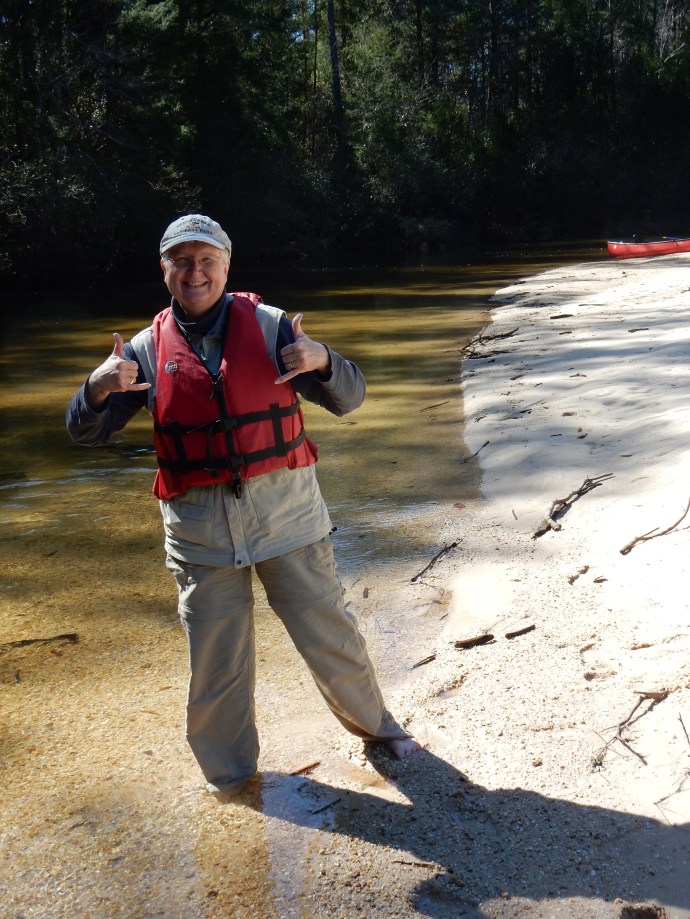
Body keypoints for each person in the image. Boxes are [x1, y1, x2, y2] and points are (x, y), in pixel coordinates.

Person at [66, 214, 421, 794]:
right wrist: (97, 386)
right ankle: (231, 776)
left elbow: (351, 398)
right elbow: (84, 433)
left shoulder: (275, 329)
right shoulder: (143, 353)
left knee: (329, 633)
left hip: (288, 519)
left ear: (227, 267)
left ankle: (378, 730)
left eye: (207, 260)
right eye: (182, 262)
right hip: (201, 537)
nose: (195, 272)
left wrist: (324, 360)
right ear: (165, 272)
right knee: (216, 667)